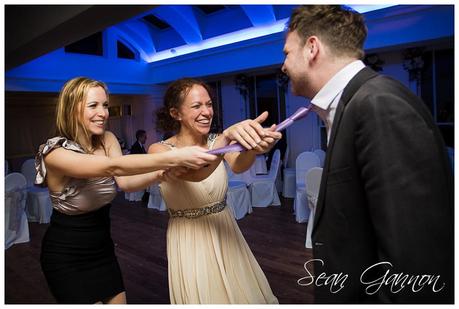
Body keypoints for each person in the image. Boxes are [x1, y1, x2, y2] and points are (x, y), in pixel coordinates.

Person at [281, 5, 453, 303]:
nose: (282, 65)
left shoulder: (379, 105)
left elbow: (414, 256)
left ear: (312, 48)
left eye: (286, 53)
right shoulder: (351, 104)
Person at [35, 77, 218, 304]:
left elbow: (124, 182)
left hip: (102, 250)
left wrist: (161, 174)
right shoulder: (54, 152)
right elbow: (113, 167)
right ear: (72, 109)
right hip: (66, 255)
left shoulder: (108, 139)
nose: (103, 113)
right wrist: (172, 157)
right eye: (93, 106)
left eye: (105, 105)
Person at [148, 78, 281, 304]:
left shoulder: (216, 141)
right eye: (197, 106)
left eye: (209, 104)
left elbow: (239, 165)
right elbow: (193, 171)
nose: (207, 112)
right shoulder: (160, 149)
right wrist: (227, 138)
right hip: (189, 235)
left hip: (224, 227)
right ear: (175, 113)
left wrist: (253, 148)